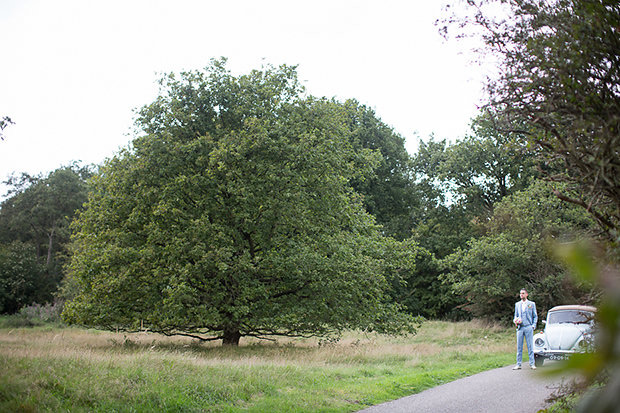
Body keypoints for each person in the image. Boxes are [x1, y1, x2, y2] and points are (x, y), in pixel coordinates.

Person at [512, 288, 538, 370]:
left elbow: (535, 316)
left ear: (526, 294)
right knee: (519, 346)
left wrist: (533, 325)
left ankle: (532, 363)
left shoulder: (531, 304)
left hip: (528, 327)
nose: (521, 295)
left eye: (523, 293)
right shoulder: (517, 304)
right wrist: (515, 321)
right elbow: (515, 316)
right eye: (520, 293)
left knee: (530, 346)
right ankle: (518, 364)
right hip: (520, 328)